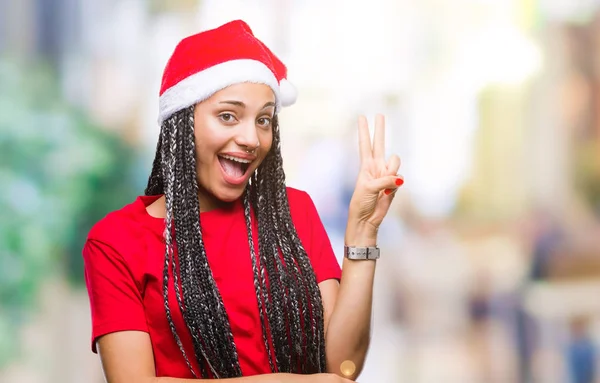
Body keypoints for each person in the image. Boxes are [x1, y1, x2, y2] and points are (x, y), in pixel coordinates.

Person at [82, 20, 403, 383]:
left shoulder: (294, 214)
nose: (251, 138)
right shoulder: (115, 241)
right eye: (228, 116)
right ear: (182, 122)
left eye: (264, 120)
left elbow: (343, 365)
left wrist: (363, 233)